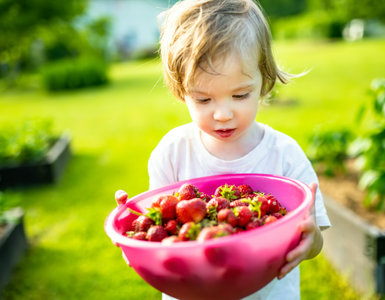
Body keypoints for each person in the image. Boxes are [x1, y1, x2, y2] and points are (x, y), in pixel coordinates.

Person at [115, 0, 331, 299]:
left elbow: (316, 239)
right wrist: (135, 235)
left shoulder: (284, 154)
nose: (223, 114)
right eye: (203, 100)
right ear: (181, 92)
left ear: (264, 82)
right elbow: (162, 231)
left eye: (240, 95)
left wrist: (311, 242)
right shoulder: (172, 153)